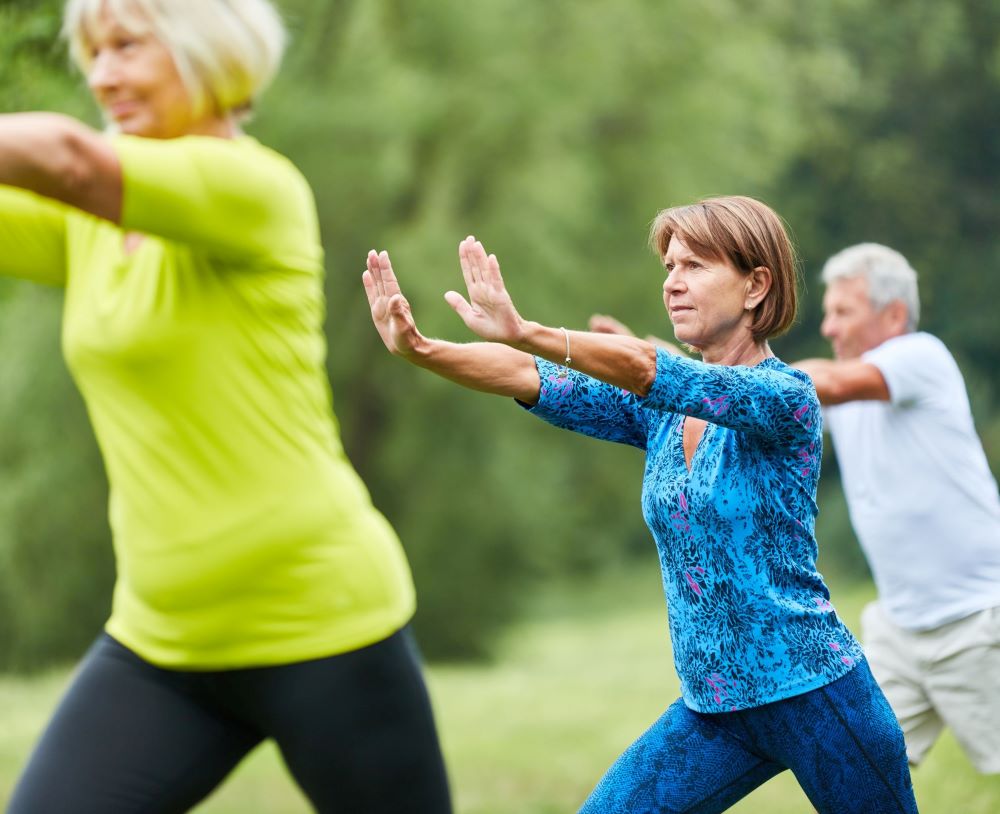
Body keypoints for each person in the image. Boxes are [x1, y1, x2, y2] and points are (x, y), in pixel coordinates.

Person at [1, 1, 451, 812]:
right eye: (93, 53)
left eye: (128, 46)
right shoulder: (93, 225)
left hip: (320, 621)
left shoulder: (255, 187)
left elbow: (66, 158)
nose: (103, 75)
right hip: (161, 639)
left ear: (208, 52)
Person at [363, 196, 918, 813]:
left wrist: (528, 329)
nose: (673, 284)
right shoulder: (661, 412)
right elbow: (530, 376)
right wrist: (421, 349)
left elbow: (651, 368)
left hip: (816, 694)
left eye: (695, 266)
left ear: (757, 285)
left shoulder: (783, 398)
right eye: (668, 267)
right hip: (714, 711)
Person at [793, 243, 1000, 776]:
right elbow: (741, 399)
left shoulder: (919, 357)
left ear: (893, 315)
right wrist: (647, 363)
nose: (830, 328)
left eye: (844, 312)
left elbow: (818, 385)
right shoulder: (842, 396)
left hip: (979, 623)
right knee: (857, 773)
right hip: (899, 633)